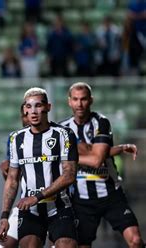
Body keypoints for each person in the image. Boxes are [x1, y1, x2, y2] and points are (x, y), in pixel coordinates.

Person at [59, 82, 144, 248]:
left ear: (91, 100)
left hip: (111, 194)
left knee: (136, 241)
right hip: (81, 200)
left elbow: (97, 159)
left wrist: (68, 157)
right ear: (69, 101)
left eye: (83, 99)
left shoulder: (101, 122)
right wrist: (118, 148)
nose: (79, 104)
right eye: (75, 99)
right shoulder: (62, 128)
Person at [0, 87, 78, 248]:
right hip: (30, 211)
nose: (33, 111)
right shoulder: (16, 138)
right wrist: (4, 216)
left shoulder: (64, 134)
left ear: (48, 107)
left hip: (59, 206)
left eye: (38, 106)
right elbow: (12, 180)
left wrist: (37, 197)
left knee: (67, 245)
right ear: (24, 110)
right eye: (28, 106)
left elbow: (69, 175)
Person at [0, 103, 29, 248]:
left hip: (52, 202)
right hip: (26, 202)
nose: (28, 118)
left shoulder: (54, 136)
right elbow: (12, 180)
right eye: (24, 115)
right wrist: (7, 171)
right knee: (6, 244)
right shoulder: (15, 138)